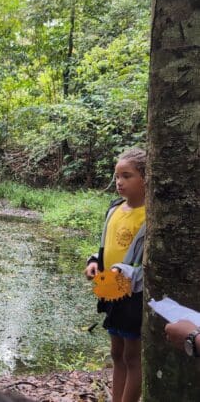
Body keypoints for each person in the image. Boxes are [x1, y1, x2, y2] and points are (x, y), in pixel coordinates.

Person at [84, 148, 146, 402]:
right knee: (116, 352)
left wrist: (127, 271)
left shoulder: (150, 215)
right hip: (110, 289)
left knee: (133, 356)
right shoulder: (115, 209)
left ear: (146, 178)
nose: (119, 182)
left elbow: (147, 266)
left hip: (133, 295)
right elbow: (105, 246)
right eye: (117, 176)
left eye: (127, 176)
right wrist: (94, 262)